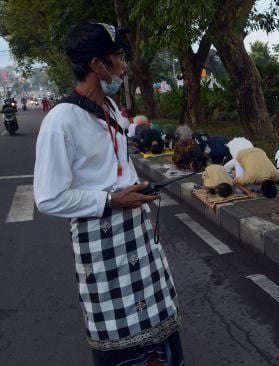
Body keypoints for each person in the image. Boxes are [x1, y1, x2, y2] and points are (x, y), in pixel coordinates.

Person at [33, 23, 183, 365]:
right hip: (102, 246)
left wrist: (138, 197)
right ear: (97, 66)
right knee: (121, 341)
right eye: (117, 57)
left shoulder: (112, 109)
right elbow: (48, 197)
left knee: (161, 330)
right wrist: (112, 200)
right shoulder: (61, 121)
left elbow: (119, 170)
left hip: (137, 234)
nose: (124, 65)